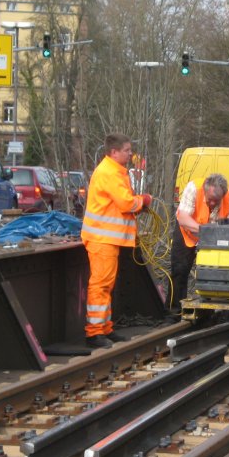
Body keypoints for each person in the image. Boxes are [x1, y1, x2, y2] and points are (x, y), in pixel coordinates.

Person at [80, 133, 152, 349]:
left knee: (105, 285)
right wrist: (144, 200)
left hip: (106, 238)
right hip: (102, 238)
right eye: (127, 150)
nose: (131, 154)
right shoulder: (110, 173)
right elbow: (125, 203)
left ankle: (105, 329)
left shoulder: (114, 171)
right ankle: (94, 333)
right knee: (100, 284)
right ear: (114, 152)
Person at [168, 173, 229, 314]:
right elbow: (183, 218)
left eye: (216, 200)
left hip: (216, 240)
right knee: (179, 271)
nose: (213, 203)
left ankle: (212, 309)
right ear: (205, 190)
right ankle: (174, 312)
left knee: (217, 272)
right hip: (188, 233)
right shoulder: (193, 189)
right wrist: (205, 231)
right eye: (210, 200)